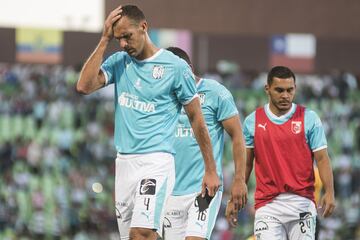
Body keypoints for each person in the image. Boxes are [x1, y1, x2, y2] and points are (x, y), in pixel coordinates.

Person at [76, 5, 220, 240]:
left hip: (156, 162)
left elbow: (197, 119)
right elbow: (84, 86)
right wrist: (104, 39)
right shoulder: (120, 62)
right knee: (138, 237)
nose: (122, 43)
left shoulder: (175, 67)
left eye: (127, 36)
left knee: (140, 233)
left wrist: (211, 170)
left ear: (143, 28)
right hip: (124, 164)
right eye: (118, 38)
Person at [226, 66, 336, 239]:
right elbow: (246, 163)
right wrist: (235, 197)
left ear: (295, 89)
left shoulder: (309, 118)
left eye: (290, 90)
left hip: (302, 203)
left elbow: (322, 159)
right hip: (267, 205)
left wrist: (330, 191)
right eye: (279, 90)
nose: (285, 95)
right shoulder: (252, 121)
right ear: (267, 89)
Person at [163, 47, 247, 240]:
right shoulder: (162, 97)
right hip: (171, 192)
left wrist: (239, 179)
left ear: (188, 69)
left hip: (204, 188)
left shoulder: (215, 93)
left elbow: (237, 136)